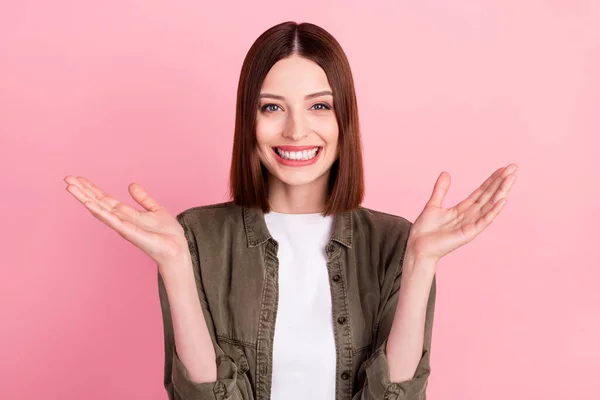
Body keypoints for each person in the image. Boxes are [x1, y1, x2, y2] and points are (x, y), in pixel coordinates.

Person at [64, 21, 517, 400]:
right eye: (272, 107)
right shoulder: (197, 236)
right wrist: (176, 265)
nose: (296, 130)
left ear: (345, 121)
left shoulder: (396, 240)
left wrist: (420, 263)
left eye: (320, 106)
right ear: (249, 120)